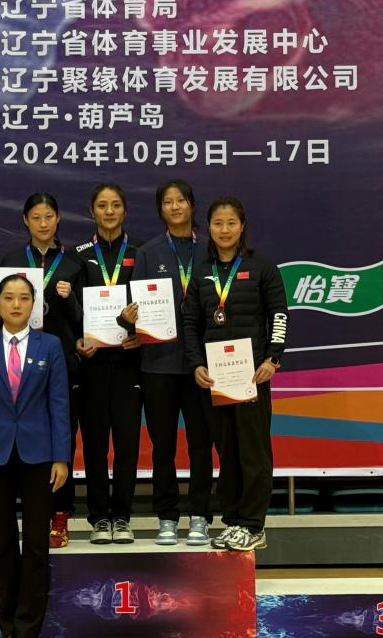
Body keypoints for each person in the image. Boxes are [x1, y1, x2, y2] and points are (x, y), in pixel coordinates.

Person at [0, 274, 70, 638]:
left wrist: (61, 457)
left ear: (33, 305)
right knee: (5, 543)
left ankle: (28, 627)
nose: (16, 304)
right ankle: (7, 623)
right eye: (8, 297)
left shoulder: (50, 346)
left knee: (37, 545)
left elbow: (59, 404)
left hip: (40, 456)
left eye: (24, 298)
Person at [181, 196, 288, 552]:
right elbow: (190, 323)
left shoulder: (262, 267)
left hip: (252, 377)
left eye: (231, 223)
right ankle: (233, 520)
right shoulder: (201, 271)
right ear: (208, 228)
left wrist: (272, 359)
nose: (224, 230)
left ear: (242, 226)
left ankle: (254, 525)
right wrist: (196, 364)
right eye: (217, 223)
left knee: (253, 452)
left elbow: (279, 315)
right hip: (215, 379)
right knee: (227, 452)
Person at [119, 179, 214, 546]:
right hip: (158, 364)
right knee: (163, 446)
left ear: (192, 205)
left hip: (202, 365)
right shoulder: (149, 252)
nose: (175, 207)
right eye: (168, 202)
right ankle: (167, 517)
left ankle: (200, 516)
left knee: (201, 444)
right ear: (161, 210)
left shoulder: (209, 249)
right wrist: (129, 320)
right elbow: (135, 307)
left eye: (181, 200)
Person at [0, 193, 84, 549]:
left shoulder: (75, 262)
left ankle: (61, 513)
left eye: (49, 216)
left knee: (63, 436)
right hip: (22, 366)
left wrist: (70, 297)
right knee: (29, 438)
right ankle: (35, 511)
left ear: (58, 218)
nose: (43, 223)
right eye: (36, 217)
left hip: (63, 363)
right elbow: (0, 316)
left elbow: (85, 321)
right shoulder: (13, 262)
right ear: (25, 220)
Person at [74, 183, 144, 544]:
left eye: (116, 205)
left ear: (125, 210)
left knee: (128, 444)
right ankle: (100, 517)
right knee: (95, 444)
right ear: (92, 212)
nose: (109, 211)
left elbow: (155, 306)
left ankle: (123, 516)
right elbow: (72, 311)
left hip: (130, 362)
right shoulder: (79, 256)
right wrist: (78, 340)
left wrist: (141, 334)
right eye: (102, 205)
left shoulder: (140, 253)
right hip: (93, 365)